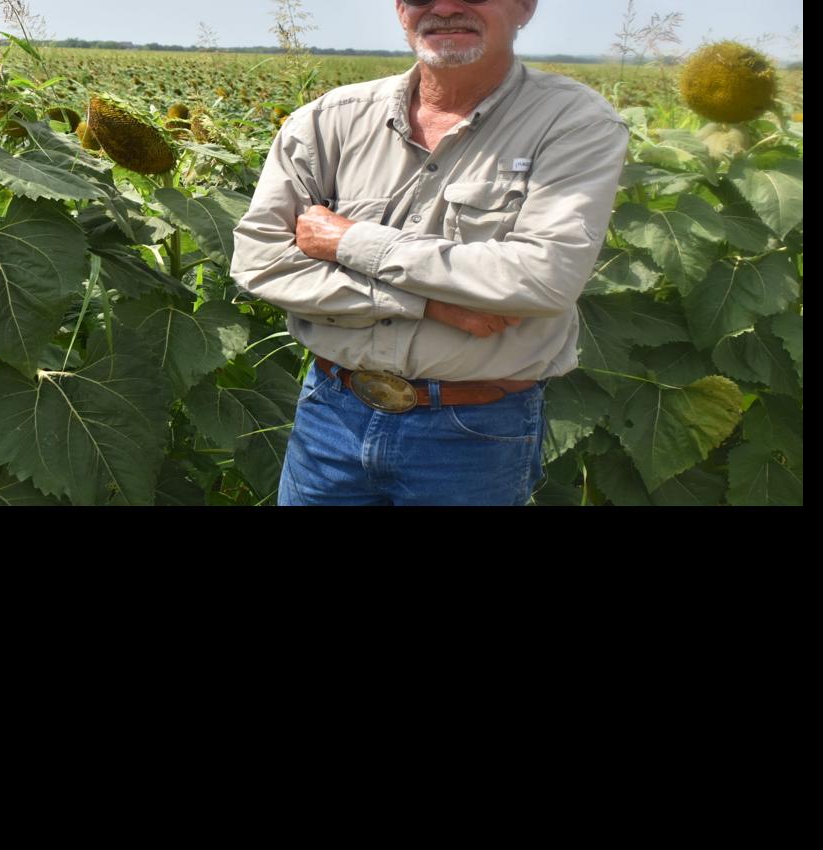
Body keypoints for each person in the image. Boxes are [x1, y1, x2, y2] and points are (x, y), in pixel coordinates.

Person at [229, 0, 629, 505]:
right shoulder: (330, 120)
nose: (444, 7)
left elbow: (543, 276)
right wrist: (428, 304)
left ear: (525, 6)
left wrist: (349, 241)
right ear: (400, 10)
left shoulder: (573, 123)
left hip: (471, 431)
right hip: (331, 414)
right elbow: (260, 261)